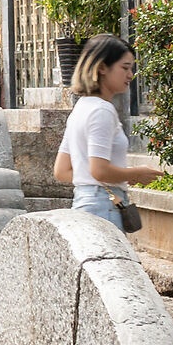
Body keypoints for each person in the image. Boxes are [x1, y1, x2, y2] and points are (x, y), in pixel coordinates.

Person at [53, 36, 159, 229]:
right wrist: (137, 173)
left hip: (85, 203)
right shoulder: (102, 111)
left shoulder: (81, 107)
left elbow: (62, 171)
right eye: (125, 67)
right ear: (102, 67)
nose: (130, 75)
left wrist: (120, 175)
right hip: (104, 208)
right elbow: (99, 170)